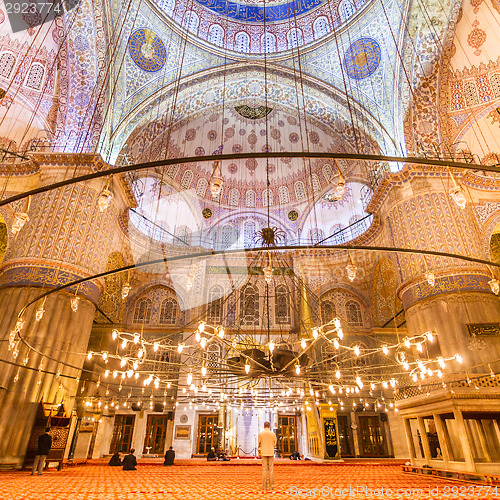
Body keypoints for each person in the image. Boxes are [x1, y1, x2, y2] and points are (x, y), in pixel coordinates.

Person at [258, 421, 277, 492]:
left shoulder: (261, 434)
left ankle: (264, 487)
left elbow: (259, 443)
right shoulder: (273, 434)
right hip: (271, 453)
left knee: (264, 470)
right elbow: (275, 443)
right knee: (271, 470)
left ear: (264, 426)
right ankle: (271, 487)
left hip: (264, 453)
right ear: (269, 426)